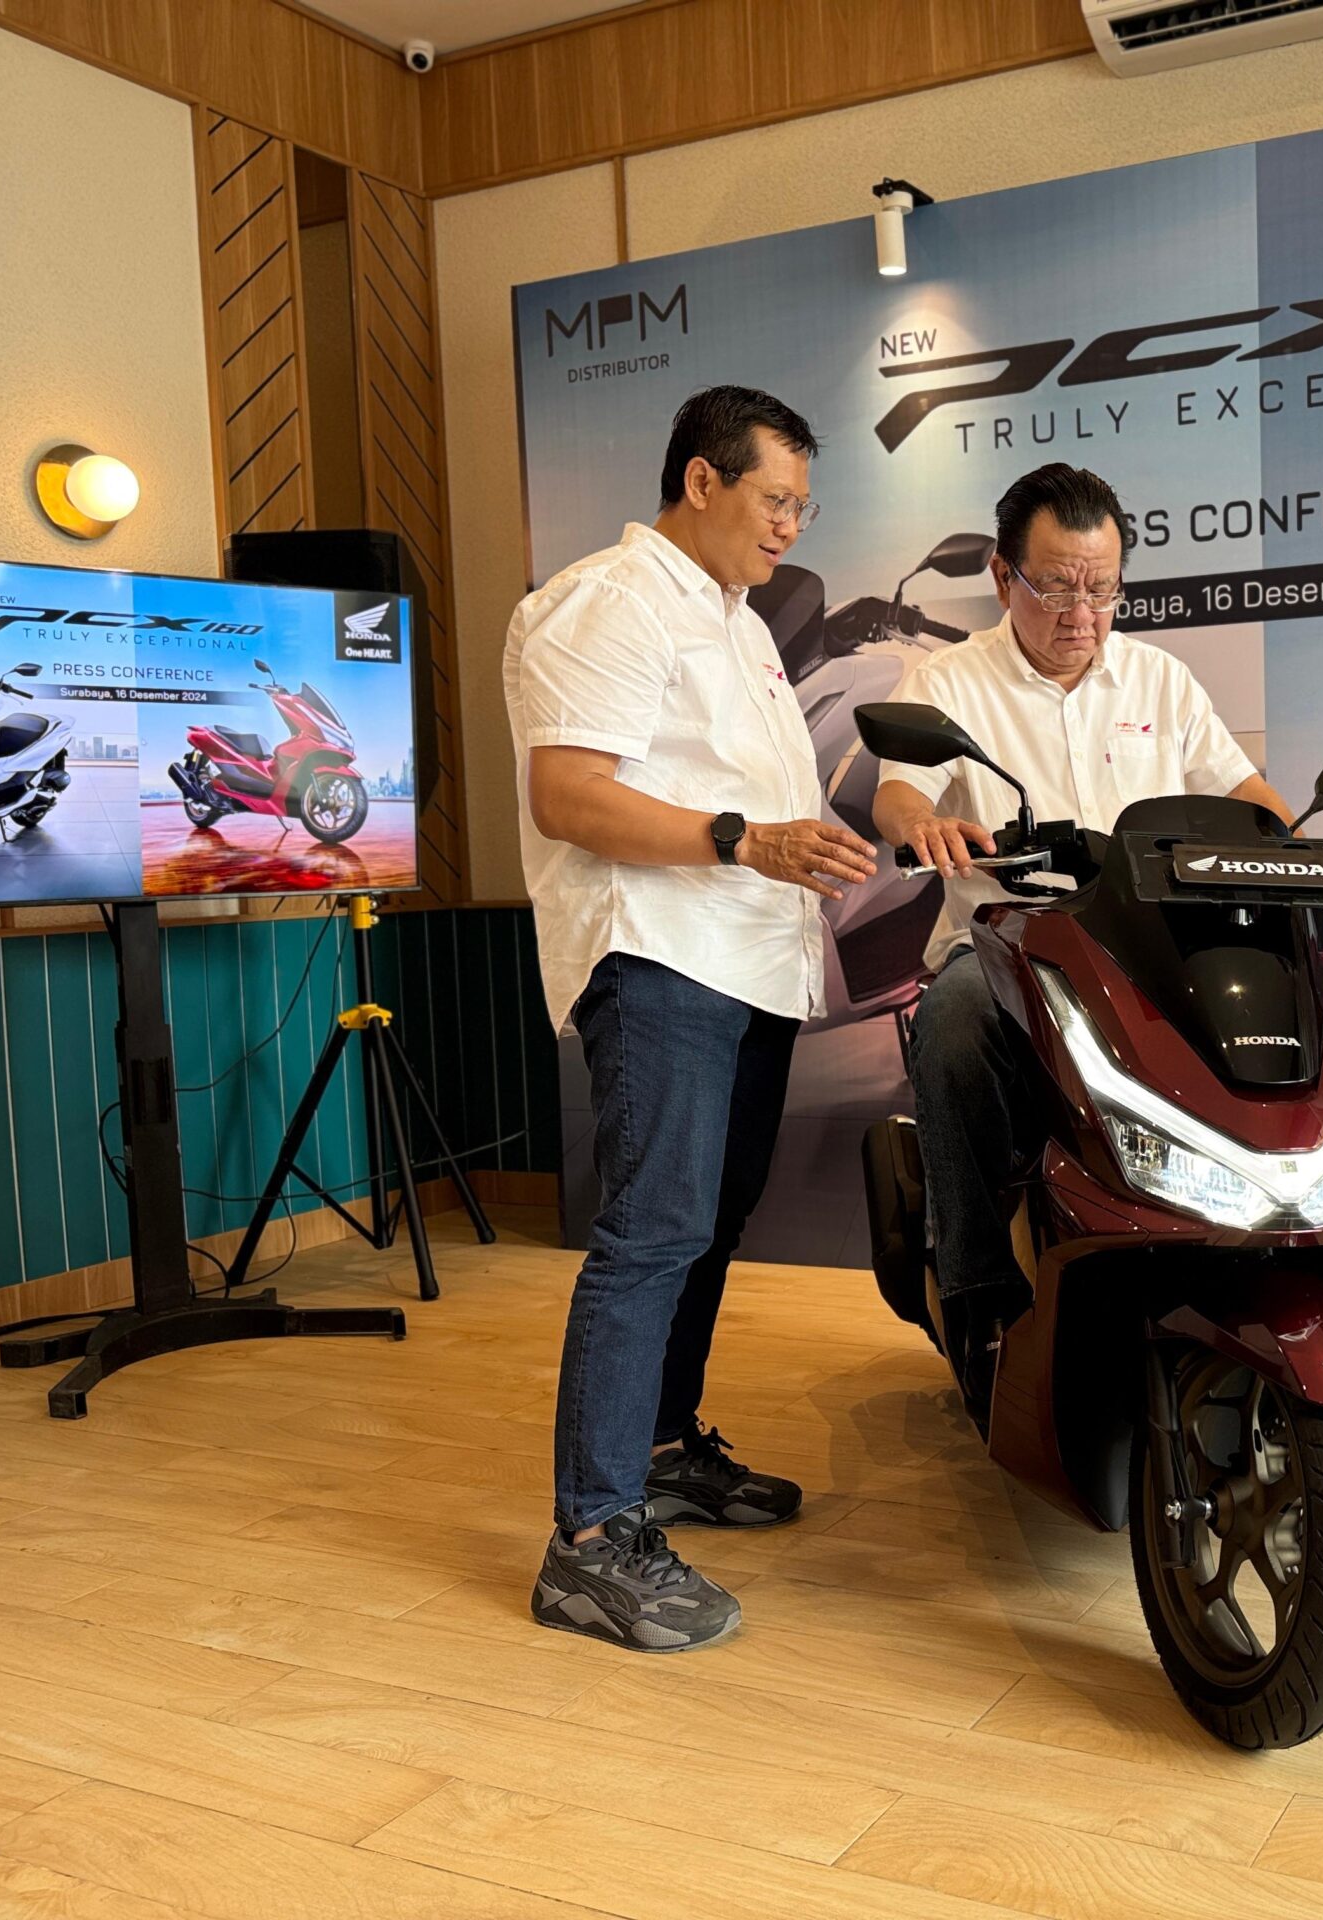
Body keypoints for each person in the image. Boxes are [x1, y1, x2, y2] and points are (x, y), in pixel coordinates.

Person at [872, 462, 1323, 1498]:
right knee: (950, 1022)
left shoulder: (1160, 682)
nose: (1082, 613)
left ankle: (1319, 1359)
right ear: (1001, 576)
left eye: (1102, 588)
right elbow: (897, 794)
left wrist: (1293, 840)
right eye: (1056, 586)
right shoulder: (947, 685)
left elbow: (1244, 793)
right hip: (1009, 949)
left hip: (1146, 955)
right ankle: (978, 1294)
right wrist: (925, 826)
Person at [504, 385, 877, 1654]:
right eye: (774, 499)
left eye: (803, 507)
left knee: (706, 1226)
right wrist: (746, 839)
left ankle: (661, 1453)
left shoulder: (738, 621)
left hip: (748, 963)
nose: (790, 527)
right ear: (702, 481)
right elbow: (568, 797)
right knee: (653, 1233)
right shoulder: (607, 600)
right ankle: (589, 1543)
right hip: (660, 957)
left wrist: (795, 848)